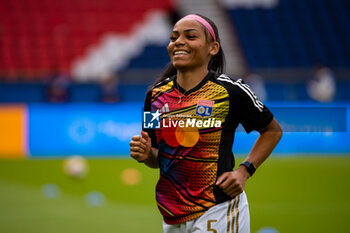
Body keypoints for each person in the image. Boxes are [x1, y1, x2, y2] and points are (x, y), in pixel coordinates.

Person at [129, 14, 282, 233]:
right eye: (174, 38)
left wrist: (244, 171)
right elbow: (156, 156)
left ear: (213, 48)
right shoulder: (155, 96)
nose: (179, 42)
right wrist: (145, 155)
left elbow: (272, 130)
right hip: (172, 215)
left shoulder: (231, 91)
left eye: (190, 36)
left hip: (219, 208)